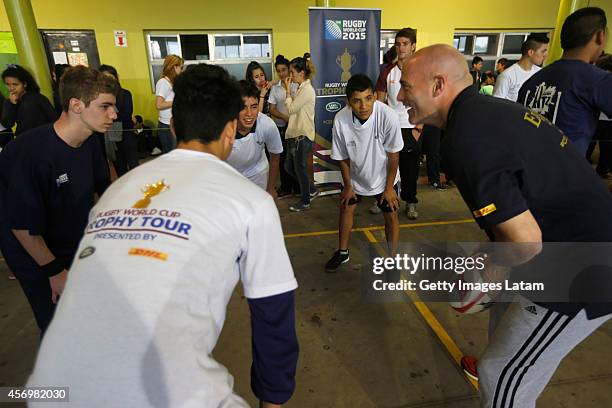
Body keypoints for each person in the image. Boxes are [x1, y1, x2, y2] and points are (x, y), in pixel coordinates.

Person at [27, 63, 298, 408]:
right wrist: (272, 401)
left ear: (173, 125)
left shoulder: (118, 190)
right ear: (231, 129)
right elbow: (273, 315)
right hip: (166, 394)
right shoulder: (251, 202)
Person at [399, 43, 612, 408]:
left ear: (438, 85)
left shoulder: (467, 138)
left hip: (582, 265)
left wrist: (489, 269)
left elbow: (525, 241)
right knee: (502, 320)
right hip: (557, 242)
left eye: (406, 86)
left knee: (502, 377)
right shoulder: (483, 112)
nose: (401, 95)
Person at [0, 66, 115, 335]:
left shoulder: (90, 142)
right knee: (58, 327)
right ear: (76, 105)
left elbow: (105, 188)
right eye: (106, 106)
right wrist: (55, 272)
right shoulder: (29, 153)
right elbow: (23, 228)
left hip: (72, 237)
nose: (114, 114)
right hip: (35, 253)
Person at [326, 74, 403, 272]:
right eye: (357, 100)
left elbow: (394, 155)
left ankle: (392, 260)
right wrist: (349, 186)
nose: (363, 106)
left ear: (375, 96)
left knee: (391, 214)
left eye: (368, 98)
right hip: (357, 176)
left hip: (385, 176)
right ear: (348, 102)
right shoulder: (341, 119)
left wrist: (388, 189)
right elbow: (342, 157)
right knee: (346, 208)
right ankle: (343, 252)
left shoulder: (388, 116)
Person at [518, 7, 612, 156]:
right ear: (600, 36)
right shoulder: (597, 79)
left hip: (527, 168)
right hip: (565, 174)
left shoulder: (532, 82)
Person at [376, 27, 424, 219]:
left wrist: (419, 129)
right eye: (398, 44)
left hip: (411, 127)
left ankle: (411, 202)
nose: (401, 48)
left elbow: (425, 102)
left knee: (410, 169)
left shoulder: (421, 72)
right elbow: (379, 101)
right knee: (387, 167)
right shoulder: (387, 71)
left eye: (405, 44)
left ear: (413, 46)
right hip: (390, 128)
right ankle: (387, 199)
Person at [226, 80, 283, 197]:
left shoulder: (267, 125)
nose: (249, 113)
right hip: (229, 176)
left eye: (254, 107)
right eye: (243, 107)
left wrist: (271, 188)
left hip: (258, 173)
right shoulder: (222, 127)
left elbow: (275, 158)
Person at [284, 53, 318, 212]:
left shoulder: (307, 90)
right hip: (295, 135)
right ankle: (311, 190)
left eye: (292, 72)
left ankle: (305, 201)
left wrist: (287, 93)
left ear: (301, 73)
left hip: (302, 136)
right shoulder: (301, 88)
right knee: (290, 168)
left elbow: (291, 109)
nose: (290, 75)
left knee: (299, 169)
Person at [99, 64, 139, 176]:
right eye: (104, 78)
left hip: (126, 133)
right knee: (119, 167)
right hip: (111, 136)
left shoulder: (125, 94)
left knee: (133, 165)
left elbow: (127, 115)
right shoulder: (98, 97)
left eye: (110, 77)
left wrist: (109, 117)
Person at [269, 55, 300, 198]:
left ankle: (298, 188)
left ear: (289, 70)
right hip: (281, 127)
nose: (282, 73)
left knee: (295, 159)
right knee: (282, 159)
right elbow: (272, 109)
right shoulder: (275, 89)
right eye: (279, 71)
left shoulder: (297, 85)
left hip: (296, 128)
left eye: (284, 70)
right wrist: (285, 117)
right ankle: (286, 187)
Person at [0, 65, 57, 136]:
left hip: (43, 138)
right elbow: (7, 124)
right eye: (8, 84)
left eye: (15, 84)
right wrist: (12, 105)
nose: (11, 88)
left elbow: (54, 120)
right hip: (24, 140)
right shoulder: (10, 102)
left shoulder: (38, 99)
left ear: (24, 84)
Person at [493, 34, 549, 102]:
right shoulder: (507, 76)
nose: (545, 55)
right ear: (531, 52)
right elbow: (497, 105)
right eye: (543, 51)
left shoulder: (540, 73)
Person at [155, 54, 183, 153]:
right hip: (166, 126)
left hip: (173, 123)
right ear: (174, 67)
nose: (181, 70)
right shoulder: (163, 83)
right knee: (172, 155)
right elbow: (159, 105)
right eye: (181, 67)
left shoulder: (172, 82)